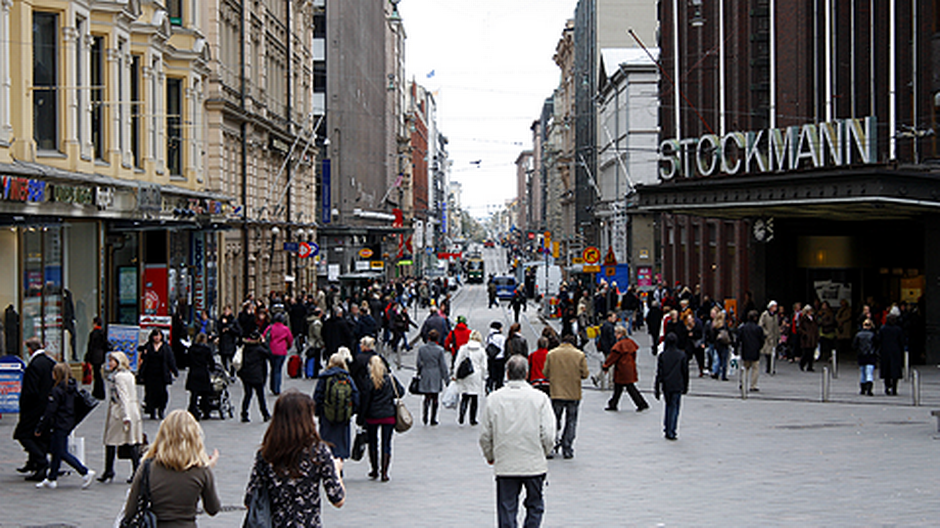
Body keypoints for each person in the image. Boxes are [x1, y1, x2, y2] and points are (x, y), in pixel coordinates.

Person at [245, 391, 345, 527]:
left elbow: (250, 500)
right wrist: (337, 470)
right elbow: (337, 499)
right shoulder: (317, 452)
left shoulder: (267, 453)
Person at [479, 355, 555, 528]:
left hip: (506, 463)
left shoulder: (494, 398)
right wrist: (542, 452)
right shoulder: (540, 398)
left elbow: (485, 434)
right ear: (526, 374)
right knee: (535, 505)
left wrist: (490, 454)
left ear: (507, 373)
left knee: (506, 507)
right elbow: (549, 434)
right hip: (533, 463)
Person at [121, 410, 221, 526]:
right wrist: (208, 469)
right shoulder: (201, 470)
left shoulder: (148, 467)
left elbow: (130, 511)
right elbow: (213, 508)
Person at [34, 362, 96, 489]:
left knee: (61, 451)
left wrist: (40, 427)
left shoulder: (56, 391)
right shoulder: (71, 388)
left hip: (59, 423)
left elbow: (50, 410)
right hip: (68, 421)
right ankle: (52, 477)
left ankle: (84, 471)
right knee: (56, 450)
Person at [98, 351, 144, 484]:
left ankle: (109, 470)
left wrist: (125, 415)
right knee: (132, 441)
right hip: (132, 408)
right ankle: (136, 470)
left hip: (120, 411)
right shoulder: (129, 375)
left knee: (111, 440)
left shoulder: (118, 377)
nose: (110, 363)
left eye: (112, 360)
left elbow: (123, 396)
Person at [14, 337, 56, 482]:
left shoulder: (34, 365)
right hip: (47, 406)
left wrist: (24, 405)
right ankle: (36, 464)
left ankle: (41, 462)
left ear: (30, 349)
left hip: (34, 408)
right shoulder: (50, 362)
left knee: (23, 435)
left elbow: (30, 391)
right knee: (41, 437)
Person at [542, 335, 589, 459]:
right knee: (571, 420)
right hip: (573, 393)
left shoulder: (552, 354)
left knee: (554, 420)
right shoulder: (579, 355)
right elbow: (585, 374)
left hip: (556, 392)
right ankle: (567, 447)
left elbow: (545, 372)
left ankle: (551, 446)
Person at [359, 355, 405, 481]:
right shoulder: (390, 379)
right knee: (386, 443)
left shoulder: (369, 380)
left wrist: (361, 417)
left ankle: (374, 469)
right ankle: (385, 472)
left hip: (372, 416)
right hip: (388, 415)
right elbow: (400, 392)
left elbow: (365, 400)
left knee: (373, 443)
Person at [314, 353, 360, 460]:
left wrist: (318, 411)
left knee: (327, 442)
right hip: (343, 416)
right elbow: (355, 395)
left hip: (327, 415)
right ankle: (339, 466)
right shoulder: (347, 378)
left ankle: (328, 464)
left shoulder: (324, 377)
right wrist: (351, 411)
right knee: (341, 443)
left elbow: (318, 396)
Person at [602, 326, 648, 412]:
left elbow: (613, 357)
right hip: (630, 367)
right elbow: (634, 355)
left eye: (616, 333)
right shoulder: (630, 342)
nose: (615, 335)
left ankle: (640, 403)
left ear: (620, 334)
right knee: (622, 388)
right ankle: (614, 404)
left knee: (626, 387)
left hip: (621, 369)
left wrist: (606, 366)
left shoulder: (619, 345)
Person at [654, 333, 689, 441]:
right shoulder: (681, 355)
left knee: (668, 406)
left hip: (666, 384)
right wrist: (686, 386)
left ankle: (667, 427)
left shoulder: (663, 356)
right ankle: (672, 430)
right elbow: (685, 372)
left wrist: (657, 387)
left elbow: (659, 373)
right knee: (675, 407)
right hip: (677, 384)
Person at [139, 328, 178, 420]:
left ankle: (161, 409)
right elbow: (144, 359)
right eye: (155, 336)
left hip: (161, 373)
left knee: (162, 393)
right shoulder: (148, 346)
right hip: (150, 373)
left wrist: (174, 370)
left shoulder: (165, 347)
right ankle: (152, 410)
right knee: (150, 392)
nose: (156, 338)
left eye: (158, 336)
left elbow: (170, 359)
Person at [452, 330, 489, 426]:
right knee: (474, 398)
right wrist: (484, 376)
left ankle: (461, 415)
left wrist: (455, 374)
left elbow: (458, 362)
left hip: (465, 374)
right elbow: (484, 366)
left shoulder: (464, 348)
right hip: (476, 374)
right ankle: (473, 419)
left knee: (465, 396)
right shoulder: (481, 350)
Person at [416, 329, 450, 426]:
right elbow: (443, 365)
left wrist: (420, 371)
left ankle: (425, 416)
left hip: (425, 372)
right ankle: (433, 418)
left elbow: (418, 362)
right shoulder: (439, 350)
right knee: (435, 397)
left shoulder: (422, 349)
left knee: (426, 397)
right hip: (436, 373)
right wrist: (446, 379)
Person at [238, 330, 271, 423]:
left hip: (246, 374)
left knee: (247, 395)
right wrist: (264, 343)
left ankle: (244, 414)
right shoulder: (259, 349)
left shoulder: (245, 348)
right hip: (257, 375)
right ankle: (265, 414)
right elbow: (269, 354)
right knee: (260, 396)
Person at [186, 333, 216, 420]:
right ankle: (206, 411)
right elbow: (211, 362)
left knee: (194, 394)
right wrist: (212, 369)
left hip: (193, 372)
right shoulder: (206, 349)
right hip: (203, 372)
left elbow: (187, 361)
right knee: (205, 394)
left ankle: (192, 409)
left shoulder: (191, 349)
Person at [264, 313, 294, 396]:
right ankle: (277, 388)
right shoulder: (285, 329)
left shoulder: (270, 328)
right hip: (281, 351)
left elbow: (264, 336)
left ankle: (272, 386)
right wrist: (288, 346)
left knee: (273, 368)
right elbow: (290, 339)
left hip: (271, 350)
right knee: (278, 369)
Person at [737, 310, 765, 392]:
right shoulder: (758, 329)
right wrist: (759, 347)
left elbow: (739, 339)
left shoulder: (743, 327)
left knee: (746, 367)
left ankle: (743, 382)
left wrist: (736, 348)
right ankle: (753, 385)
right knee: (755, 368)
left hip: (745, 350)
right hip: (755, 350)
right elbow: (762, 340)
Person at [879, 310, 905, 396]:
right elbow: (902, 341)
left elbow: (879, 340)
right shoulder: (898, 330)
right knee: (895, 371)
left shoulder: (883, 329)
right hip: (896, 352)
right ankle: (894, 388)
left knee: (886, 371)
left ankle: (887, 386)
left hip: (885, 352)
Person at [85, 316, 109, 400]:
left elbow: (90, 346)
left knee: (96, 374)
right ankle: (99, 391)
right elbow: (106, 345)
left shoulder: (94, 333)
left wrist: (87, 357)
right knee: (98, 373)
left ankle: (98, 392)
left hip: (95, 356)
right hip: (101, 356)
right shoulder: (103, 333)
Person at [854, 319, 878, 396]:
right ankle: (869, 389)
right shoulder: (873, 335)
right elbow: (877, 344)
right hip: (870, 355)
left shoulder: (858, 335)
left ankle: (862, 389)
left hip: (861, 355)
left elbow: (854, 345)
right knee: (869, 372)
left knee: (863, 372)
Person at [216, 306, 240, 374]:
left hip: (231, 342)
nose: (226, 312)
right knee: (223, 359)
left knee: (232, 359)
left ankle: (232, 373)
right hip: (223, 342)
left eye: (227, 311)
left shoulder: (233, 320)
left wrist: (229, 329)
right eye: (225, 311)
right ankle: (226, 371)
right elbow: (218, 328)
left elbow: (239, 331)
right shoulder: (221, 319)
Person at [758, 301, 780, 375]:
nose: (775, 308)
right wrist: (765, 333)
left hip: (773, 336)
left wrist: (778, 336)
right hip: (768, 337)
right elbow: (761, 325)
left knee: (773, 353)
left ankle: (772, 367)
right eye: (774, 306)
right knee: (768, 352)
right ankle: (768, 367)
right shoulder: (765, 315)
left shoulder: (775, 316)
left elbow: (776, 327)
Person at [486, 322, 507, 392]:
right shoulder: (502, 337)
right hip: (500, 359)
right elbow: (503, 348)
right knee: (500, 376)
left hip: (491, 359)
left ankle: (489, 387)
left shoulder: (489, 337)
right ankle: (498, 388)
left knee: (492, 374)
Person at [798, 305, 819, 372]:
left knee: (812, 353)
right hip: (806, 338)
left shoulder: (813, 318)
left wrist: (816, 335)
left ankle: (810, 366)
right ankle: (802, 363)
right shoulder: (803, 319)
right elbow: (800, 328)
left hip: (813, 338)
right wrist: (805, 334)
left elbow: (815, 327)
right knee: (806, 353)